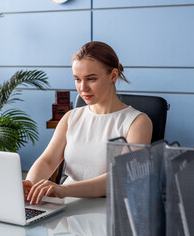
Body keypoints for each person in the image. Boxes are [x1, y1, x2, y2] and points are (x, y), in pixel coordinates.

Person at [23, 41, 152, 204]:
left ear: (113, 75)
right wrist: (30, 185)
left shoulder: (138, 122)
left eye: (91, 79)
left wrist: (63, 190)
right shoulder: (71, 117)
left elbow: (121, 176)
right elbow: (47, 161)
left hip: (108, 210)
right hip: (65, 209)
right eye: (77, 79)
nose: (83, 88)